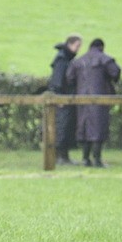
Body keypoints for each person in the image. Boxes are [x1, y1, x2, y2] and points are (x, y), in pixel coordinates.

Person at [66, 38, 120, 167]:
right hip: (100, 98)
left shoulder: (78, 61)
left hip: (82, 99)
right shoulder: (105, 59)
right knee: (98, 127)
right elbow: (116, 72)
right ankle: (97, 159)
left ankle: (85, 158)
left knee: (84, 127)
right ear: (101, 47)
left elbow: (69, 78)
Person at [48, 35, 82, 165]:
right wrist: (59, 96)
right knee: (63, 126)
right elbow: (57, 80)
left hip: (65, 97)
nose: (78, 49)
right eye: (77, 46)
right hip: (63, 99)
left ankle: (64, 155)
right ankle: (61, 156)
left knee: (65, 126)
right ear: (70, 44)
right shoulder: (62, 60)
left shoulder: (64, 58)